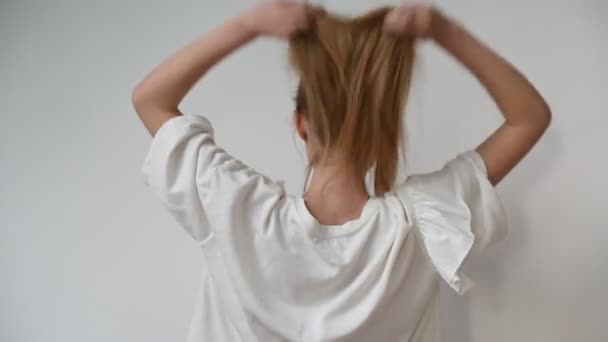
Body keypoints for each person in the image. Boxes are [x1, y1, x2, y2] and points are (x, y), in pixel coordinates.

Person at [131, 1, 551, 341]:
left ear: (301, 123)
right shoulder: (422, 224)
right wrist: (443, 31)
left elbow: (150, 98)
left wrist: (252, 23)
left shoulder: (233, 207)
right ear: (383, 131)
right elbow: (529, 117)